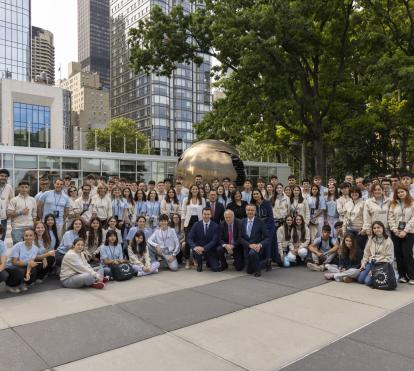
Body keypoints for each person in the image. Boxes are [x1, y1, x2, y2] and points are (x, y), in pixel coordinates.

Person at [388, 186, 414, 283]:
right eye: (398, 193)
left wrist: (405, 231)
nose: (400, 194)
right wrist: (395, 230)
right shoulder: (393, 204)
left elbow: (413, 219)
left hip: (409, 232)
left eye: (402, 192)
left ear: (407, 192)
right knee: (398, 255)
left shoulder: (412, 203)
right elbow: (390, 218)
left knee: (407, 254)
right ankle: (402, 276)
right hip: (396, 233)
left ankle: (412, 276)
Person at [358, 221, 394, 286]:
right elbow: (366, 253)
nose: (376, 229)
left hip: (381, 265)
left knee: (367, 282)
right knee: (360, 279)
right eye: (374, 228)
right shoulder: (371, 239)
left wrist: (375, 270)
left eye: (378, 227)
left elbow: (389, 258)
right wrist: (363, 264)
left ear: (383, 228)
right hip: (371, 263)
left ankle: (394, 275)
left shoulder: (388, 241)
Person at [240, 204, 270, 277]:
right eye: (248, 210)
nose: (250, 212)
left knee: (252, 253)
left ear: (255, 211)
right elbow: (240, 238)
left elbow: (267, 238)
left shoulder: (260, 222)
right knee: (249, 271)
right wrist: (249, 245)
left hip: (257, 247)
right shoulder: (241, 222)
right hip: (247, 247)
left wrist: (259, 245)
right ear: (246, 211)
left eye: (252, 210)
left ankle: (258, 270)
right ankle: (266, 261)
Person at [187, 207, 220, 272]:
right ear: (202, 214)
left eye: (208, 214)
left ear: (211, 215)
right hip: (198, 250)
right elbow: (189, 238)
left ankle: (209, 261)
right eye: (205, 214)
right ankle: (199, 264)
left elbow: (214, 241)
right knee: (197, 252)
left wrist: (204, 248)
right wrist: (194, 247)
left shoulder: (215, 226)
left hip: (210, 250)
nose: (206, 216)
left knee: (216, 269)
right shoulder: (196, 224)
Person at [181, 184, 206, 269]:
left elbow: (204, 213)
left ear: (198, 190)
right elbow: (183, 212)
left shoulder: (202, 200)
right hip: (188, 222)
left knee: (197, 241)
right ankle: (187, 260)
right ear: (190, 190)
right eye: (193, 189)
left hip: (198, 222)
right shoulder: (185, 199)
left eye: (196, 189)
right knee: (188, 242)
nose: (194, 190)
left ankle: (195, 259)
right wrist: (182, 224)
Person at [252, 189, 276, 266]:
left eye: (257, 193)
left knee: (267, 244)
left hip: (268, 227)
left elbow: (270, 217)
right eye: (254, 194)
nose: (255, 195)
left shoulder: (267, 203)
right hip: (258, 228)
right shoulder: (252, 205)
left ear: (260, 194)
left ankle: (268, 261)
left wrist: (265, 228)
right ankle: (262, 261)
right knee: (260, 243)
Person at [342, 186, 367, 254]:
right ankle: (350, 264)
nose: (354, 194)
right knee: (349, 249)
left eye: (356, 192)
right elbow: (345, 218)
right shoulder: (347, 204)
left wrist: (364, 229)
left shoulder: (364, 203)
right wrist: (344, 229)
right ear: (350, 194)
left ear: (359, 193)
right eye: (352, 192)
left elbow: (366, 217)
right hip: (349, 230)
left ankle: (359, 264)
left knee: (359, 249)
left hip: (359, 231)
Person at [0, 168, 14, 238]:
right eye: (2, 176)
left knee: (2, 235)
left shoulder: (9, 187)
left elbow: (12, 201)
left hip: (3, 217)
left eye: (5, 176)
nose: (3, 178)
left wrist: (9, 212)